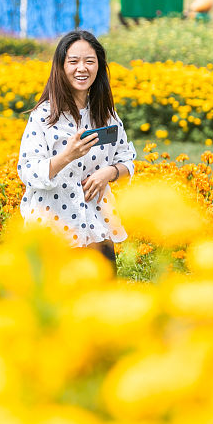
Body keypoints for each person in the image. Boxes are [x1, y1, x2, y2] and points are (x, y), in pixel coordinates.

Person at [17, 29, 136, 267]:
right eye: (73, 61)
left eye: (90, 61)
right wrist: (67, 156)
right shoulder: (44, 116)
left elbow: (128, 159)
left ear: (99, 67)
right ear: (60, 67)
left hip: (97, 231)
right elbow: (27, 171)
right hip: (53, 236)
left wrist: (109, 173)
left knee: (102, 302)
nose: (82, 68)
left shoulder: (106, 115)